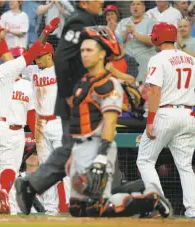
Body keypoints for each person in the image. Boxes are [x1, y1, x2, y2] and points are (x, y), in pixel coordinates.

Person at [14, 0, 118, 215]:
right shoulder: (79, 21)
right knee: (78, 147)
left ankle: (62, 195)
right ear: (84, 2)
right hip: (75, 100)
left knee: (76, 148)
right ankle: (42, 189)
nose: (102, 2)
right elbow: (62, 57)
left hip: (83, 98)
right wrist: (69, 94)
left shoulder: (90, 20)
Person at [63, 25, 172, 218]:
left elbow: (111, 120)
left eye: (89, 50)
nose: (84, 55)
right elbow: (78, 122)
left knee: (98, 208)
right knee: (77, 208)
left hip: (101, 143)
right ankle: (145, 193)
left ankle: (151, 199)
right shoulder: (83, 81)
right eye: (82, 50)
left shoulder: (110, 80)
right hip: (82, 146)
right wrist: (74, 153)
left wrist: (102, 155)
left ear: (102, 53)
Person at [0, 16, 59, 214]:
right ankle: (3, 190)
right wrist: (45, 32)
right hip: (0, 126)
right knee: (8, 167)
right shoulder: (5, 70)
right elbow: (33, 51)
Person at [136, 22, 195, 218]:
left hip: (165, 113)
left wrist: (150, 120)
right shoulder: (192, 60)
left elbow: (155, 91)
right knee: (185, 166)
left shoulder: (157, 58)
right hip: (189, 114)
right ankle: (193, 212)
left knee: (145, 160)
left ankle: (160, 205)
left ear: (157, 37)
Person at [21, 42, 70, 215]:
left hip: (58, 122)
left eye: (40, 56)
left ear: (50, 55)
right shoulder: (33, 70)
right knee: (46, 168)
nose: (37, 59)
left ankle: (73, 206)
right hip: (40, 124)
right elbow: (17, 63)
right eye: (36, 57)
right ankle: (51, 209)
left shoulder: (62, 70)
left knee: (67, 165)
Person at [0, 46, 36, 215]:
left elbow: (31, 113)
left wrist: (35, 135)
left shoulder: (27, 85)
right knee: (6, 170)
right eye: (15, 58)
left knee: (6, 171)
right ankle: (9, 207)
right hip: (0, 129)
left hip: (18, 131)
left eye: (20, 59)